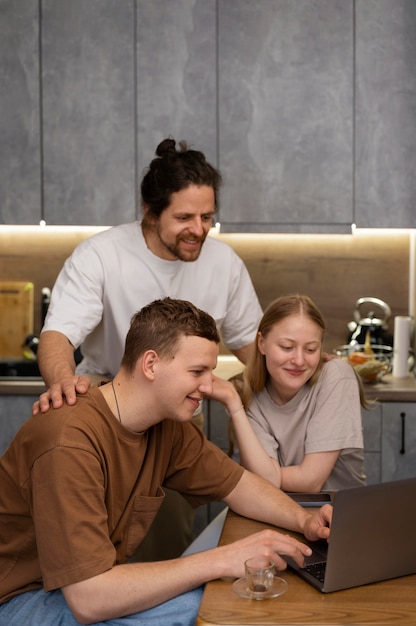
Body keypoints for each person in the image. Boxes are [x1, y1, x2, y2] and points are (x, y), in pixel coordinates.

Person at [0, 298, 332, 626]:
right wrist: (221, 560)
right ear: (150, 364)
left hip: (81, 590)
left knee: (229, 601)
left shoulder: (167, 427)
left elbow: (239, 485)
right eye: (197, 371)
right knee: (216, 607)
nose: (208, 386)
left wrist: (306, 522)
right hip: (19, 601)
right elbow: (88, 599)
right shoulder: (69, 442)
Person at [34, 137, 263, 558]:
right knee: (89, 543)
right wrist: (63, 383)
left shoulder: (224, 263)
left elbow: (252, 346)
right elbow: (58, 335)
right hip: (103, 413)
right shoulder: (101, 255)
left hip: (176, 421)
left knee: (162, 543)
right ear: (149, 211)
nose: (199, 229)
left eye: (207, 216)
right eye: (184, 217)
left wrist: (304, 367)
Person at [209, 294, 368, 492]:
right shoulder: (249, 392)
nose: (299, 360)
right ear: (262, 343)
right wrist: (235, 403)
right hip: (275, 510)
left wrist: (262, 476)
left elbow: (310, 482)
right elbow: (265, 481)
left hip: (338, 514)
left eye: (310, 349)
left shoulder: (336, 377)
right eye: (287, 347)